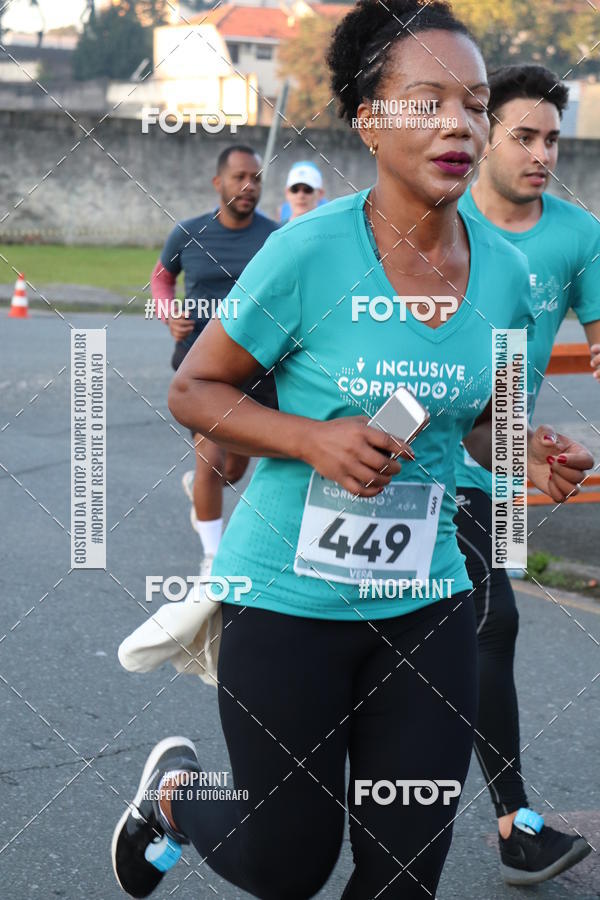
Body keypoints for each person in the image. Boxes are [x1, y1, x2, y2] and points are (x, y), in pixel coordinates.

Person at [112, 4, 593, 898]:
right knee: (286, 862)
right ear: (369, 120)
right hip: (287, 600)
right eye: (426, 101)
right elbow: (195, 391)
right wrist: (311, 439)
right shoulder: (306, 253)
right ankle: (177, 797)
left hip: (429, 601)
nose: (459, 123)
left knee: (406, 869)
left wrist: (521, 452)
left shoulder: (506, 274)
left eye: (475, 103)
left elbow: (474, 420)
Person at [453, 64, 600, 885]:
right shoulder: (437, 217)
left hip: (498, 452)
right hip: (401, 447)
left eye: (552, 138)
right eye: (524, 136)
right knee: (438, 632)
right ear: (483, 137)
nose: (542, 153)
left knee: (486, 626)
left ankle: (513, 824)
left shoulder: (578, 235)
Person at [151, 145, 279, 575]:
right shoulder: (187, 233)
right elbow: (161, 277)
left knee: (235, 466)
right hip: (201, 367)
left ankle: (202, 491)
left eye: (257, 178)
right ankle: (212, 559)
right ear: (218, 183)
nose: (249, 186)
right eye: (240, 176)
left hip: (257, 368)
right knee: (212, 459)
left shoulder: (274, 237)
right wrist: (169, 315)